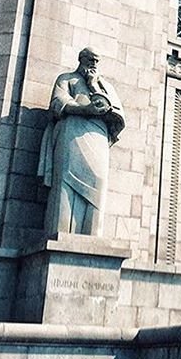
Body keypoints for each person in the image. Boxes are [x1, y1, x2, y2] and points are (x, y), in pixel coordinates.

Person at [37, 47, 125, 236]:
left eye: (96, 61)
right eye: (90, 59)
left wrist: (93, 85)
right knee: (65, 183)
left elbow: (115, 111)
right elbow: (57, 103)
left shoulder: (105, 86)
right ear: (81, 59)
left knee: (98, 181)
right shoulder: (66, 79)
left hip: (98, 137)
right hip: (71, 134)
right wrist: (85, 110)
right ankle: (60, 233)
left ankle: (91, 236)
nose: (93, 64)